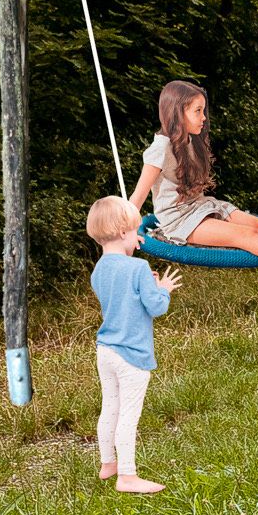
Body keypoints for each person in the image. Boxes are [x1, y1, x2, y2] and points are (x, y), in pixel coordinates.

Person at [125, 79, 258, 262]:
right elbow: (137, 198)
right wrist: (126, 231)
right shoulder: (161, 148)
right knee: (245, 235)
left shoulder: (192, 140)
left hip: (202, 206)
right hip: (180, 220)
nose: (203, 117)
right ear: (178, 113)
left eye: (203, 111)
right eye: (198, 111)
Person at [86, 194, 179, 494]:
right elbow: (156, 307)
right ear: (124, 232)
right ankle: (127, 476)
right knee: (129, 414)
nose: (139, 238)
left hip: (106, 350)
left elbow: (122, 298)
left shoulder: (99, 270)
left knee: (109, 407)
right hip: (132, 354)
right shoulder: (137, 268)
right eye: (136, 231)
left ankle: (107, 463)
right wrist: (162, 288)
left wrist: (143, 281)